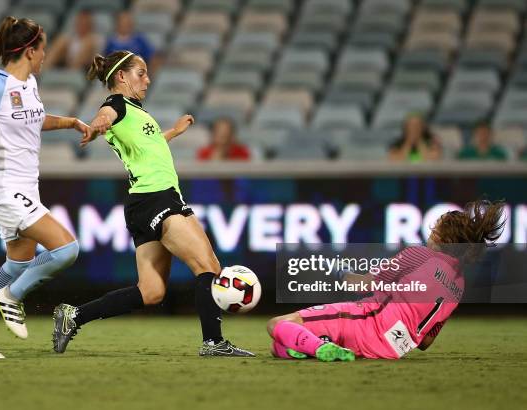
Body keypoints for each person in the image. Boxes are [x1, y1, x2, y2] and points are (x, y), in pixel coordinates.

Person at [51, 50, 254, 357]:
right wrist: (96, 126)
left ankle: (74, 316)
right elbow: (104, 116)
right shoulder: (116, 104)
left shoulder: (135, 110)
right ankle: (214, 342)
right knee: (208, 266)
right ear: (121, 76)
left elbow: (148, 146)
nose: (148, 79)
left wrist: (172, 132)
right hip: (157, 198)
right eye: (141, 73)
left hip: (142, 203)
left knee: (151, 292)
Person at [0, 17, 91, 359]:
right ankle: (11, 297)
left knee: (18, 265)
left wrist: (70, 122)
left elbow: (34, 120)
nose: (45, 55)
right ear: (28, 51)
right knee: (67, 249)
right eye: (42, 49)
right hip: (2, 186)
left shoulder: (30, 85)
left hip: (25, 187)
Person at [267, 200, 505, 361]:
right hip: (389, 350)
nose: (431, 232)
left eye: (435, 228)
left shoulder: (420, 255)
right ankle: (324, 347)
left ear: (445, 237)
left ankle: (319, 347)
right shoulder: (458, 286)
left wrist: (337, 268)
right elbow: (426, 342)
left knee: (277, 325)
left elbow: (359, 284)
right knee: (279, 348)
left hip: (365, 321)